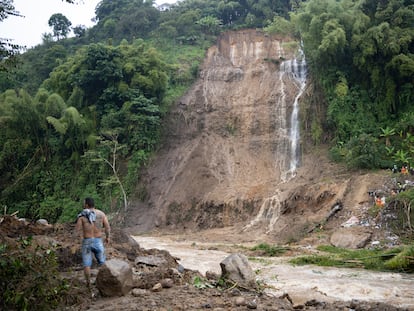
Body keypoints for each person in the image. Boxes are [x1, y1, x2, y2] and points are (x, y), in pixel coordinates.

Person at [76, 197, 111, 287]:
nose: (83, 205)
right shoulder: (101, 214)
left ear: (87, 205)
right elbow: (107, 227)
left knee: (87, 264)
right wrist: (107, 237)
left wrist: (79, 239)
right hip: (98, 241)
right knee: (102, 263)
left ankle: (88, 283)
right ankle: (104, 281)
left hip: (87, 241)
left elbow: (77, 230)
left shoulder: (82, 216)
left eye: (84, 203)